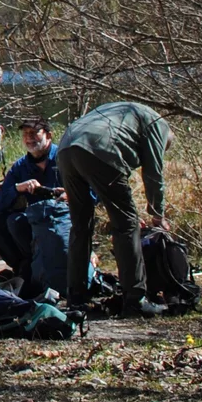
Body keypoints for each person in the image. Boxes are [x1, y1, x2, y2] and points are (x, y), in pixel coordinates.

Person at [59, 100, 171, 319]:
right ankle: (135, 301)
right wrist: (157, 213)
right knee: (127, 225)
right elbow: (153, 173)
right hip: (99, 148)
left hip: (66, 148)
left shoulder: (124, 112)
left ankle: (77, 299)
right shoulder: (158, 124)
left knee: (81, 227)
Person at [0, 120, 62, 291]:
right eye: (26, 135)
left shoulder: (64, 158)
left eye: (34, 133)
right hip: (33, 217)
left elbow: (91, 192)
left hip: (62, 216)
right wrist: (17, 189)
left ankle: (32, 270)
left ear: (48, 135)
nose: (29, 138)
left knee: (16, 222)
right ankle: (22, 269)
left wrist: (66, 194)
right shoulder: (21, 165)